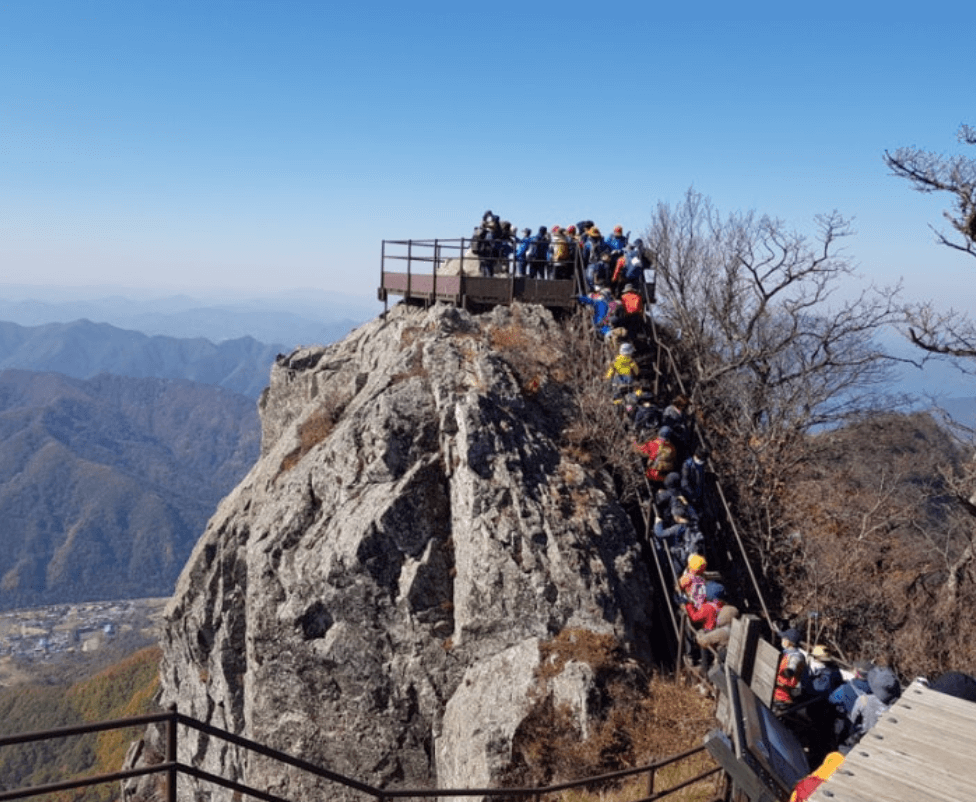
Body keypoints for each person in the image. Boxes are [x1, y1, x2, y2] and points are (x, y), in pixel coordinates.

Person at [773, 627, 806, 711]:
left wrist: (790, 670)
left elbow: (794, 663)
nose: (782, 640)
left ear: (789, 642)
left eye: (784, 638)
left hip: (782, 695)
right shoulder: (785, 653)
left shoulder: (796, 656)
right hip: (776, 690)